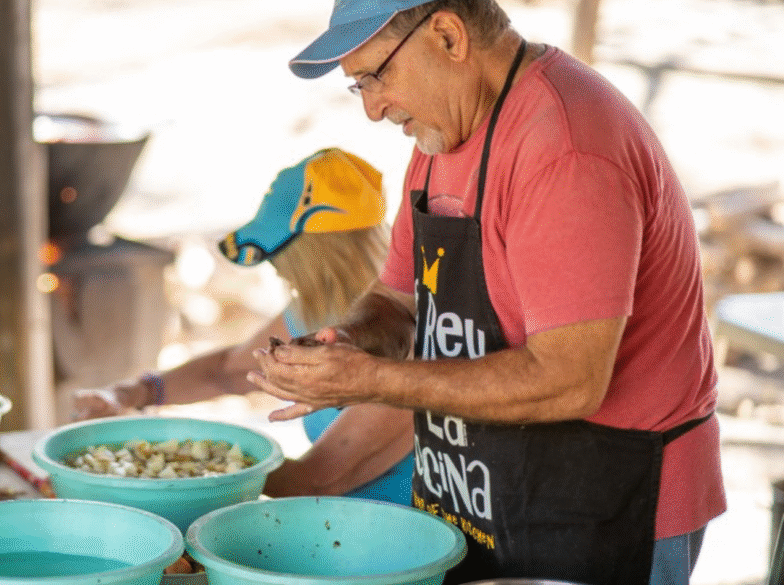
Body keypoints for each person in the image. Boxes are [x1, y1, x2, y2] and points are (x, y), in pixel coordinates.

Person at [250, 1, 725, 584]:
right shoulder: (441, 140)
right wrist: (347, 340)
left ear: (448, 35)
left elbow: (572, 379)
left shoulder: (566, 148)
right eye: (358, 89)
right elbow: (399, 301)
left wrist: (371, 381)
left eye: (376, 76)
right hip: (486, 485)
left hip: (611, 496)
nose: (373, 109)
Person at [73, 147, 416, 502]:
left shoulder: (410, 339)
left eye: (278, 254)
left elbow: (311, 480)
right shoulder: (316, 309)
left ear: (319, 254)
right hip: (338, 526)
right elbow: (228, 371)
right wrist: (131, 393)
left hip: (397, 542)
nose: (275, 268)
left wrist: (168, 455)